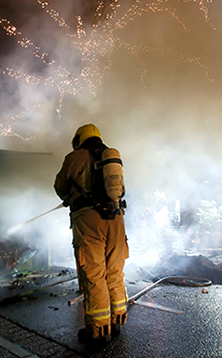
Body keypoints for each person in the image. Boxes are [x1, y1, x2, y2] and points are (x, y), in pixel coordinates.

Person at [54, 123, 128, 346]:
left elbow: (60, 187)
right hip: (116, 219)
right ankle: (116, 322)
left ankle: (97, 332)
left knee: (94, 275)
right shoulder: (109, 156)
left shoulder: (74, 157)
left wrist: (72, 195)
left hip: (89, 221)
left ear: (79, 139)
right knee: (114, 272)